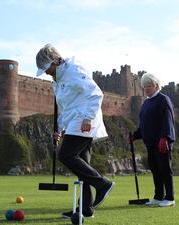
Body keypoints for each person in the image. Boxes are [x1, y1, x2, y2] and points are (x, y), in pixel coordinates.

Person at [35, 44, 114, 218]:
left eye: (47, 68)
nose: (47, 73)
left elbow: (96, 94)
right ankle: (85, 209)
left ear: (56, 61)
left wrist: (87, 117)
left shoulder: (74, 71)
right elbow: (65, 107)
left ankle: (102, 184)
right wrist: (60, 129)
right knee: (82, 165)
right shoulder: (58, 80)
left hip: (85, 120)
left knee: (66, 155)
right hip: (74, 121)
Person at [131, 73, 176, 207]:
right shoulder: (146, 103)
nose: (146, 89)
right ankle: (158, 196)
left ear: (156, 85)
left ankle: (170, 197)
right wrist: (135, 135)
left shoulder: (163, 100)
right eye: (144, 87)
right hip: (150, 143)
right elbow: (144, 123)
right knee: (155, 170)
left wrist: (165, 137)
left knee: (165, 169)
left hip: (162, 143)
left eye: (149, 86)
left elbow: (167, 120)